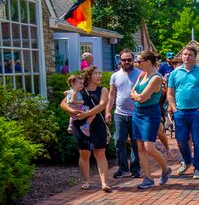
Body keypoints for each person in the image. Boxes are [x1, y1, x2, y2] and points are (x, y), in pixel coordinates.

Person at [60, 65, 111, 192]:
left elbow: (102, 106)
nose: (99, 76)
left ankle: (104, 183)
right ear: (89, 76)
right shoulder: (79, 89)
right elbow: (63, 104)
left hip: (97, 123)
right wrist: (72, 111)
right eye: (96, 74)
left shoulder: (103, 90)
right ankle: (86, 181)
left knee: (100, 152)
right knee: (84, 153)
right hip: (80, 124)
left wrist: (86, 114)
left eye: (100, 73)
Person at [167, 45, 199, 179]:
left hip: (197, 112)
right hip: (180, 112)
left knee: (198, 141)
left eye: (190, 55)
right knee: (181, 140)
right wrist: (174, 109)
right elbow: (170, 94)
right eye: (185, 54)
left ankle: (198, 168)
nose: (187, 57)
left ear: (195, 57)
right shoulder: (175, 73)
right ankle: (187, 161)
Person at [130, 50, 172, 189]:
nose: (136, 64)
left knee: (149, 146)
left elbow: (142, 97)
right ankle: (148, 178)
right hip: (137, 112)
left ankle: (166, 169)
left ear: (147, 62)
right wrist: (137, 95)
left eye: (139, 61)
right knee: (140, 147)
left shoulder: (156, 78)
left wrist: (137, 95)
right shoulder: (142, 75)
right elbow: (134, 93)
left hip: (150, 113)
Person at [108, 50, 142, 179]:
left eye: (129, 59)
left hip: (136, 113)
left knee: (135, 142)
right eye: (124, 60)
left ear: (133, 60)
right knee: (118, 141)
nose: (127, 62)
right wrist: (107, 111)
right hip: (119, 114)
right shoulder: (115, 76)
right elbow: (112, 95)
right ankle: (123, 169)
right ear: (120, 61)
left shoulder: (140, 74)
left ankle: (135, 169)